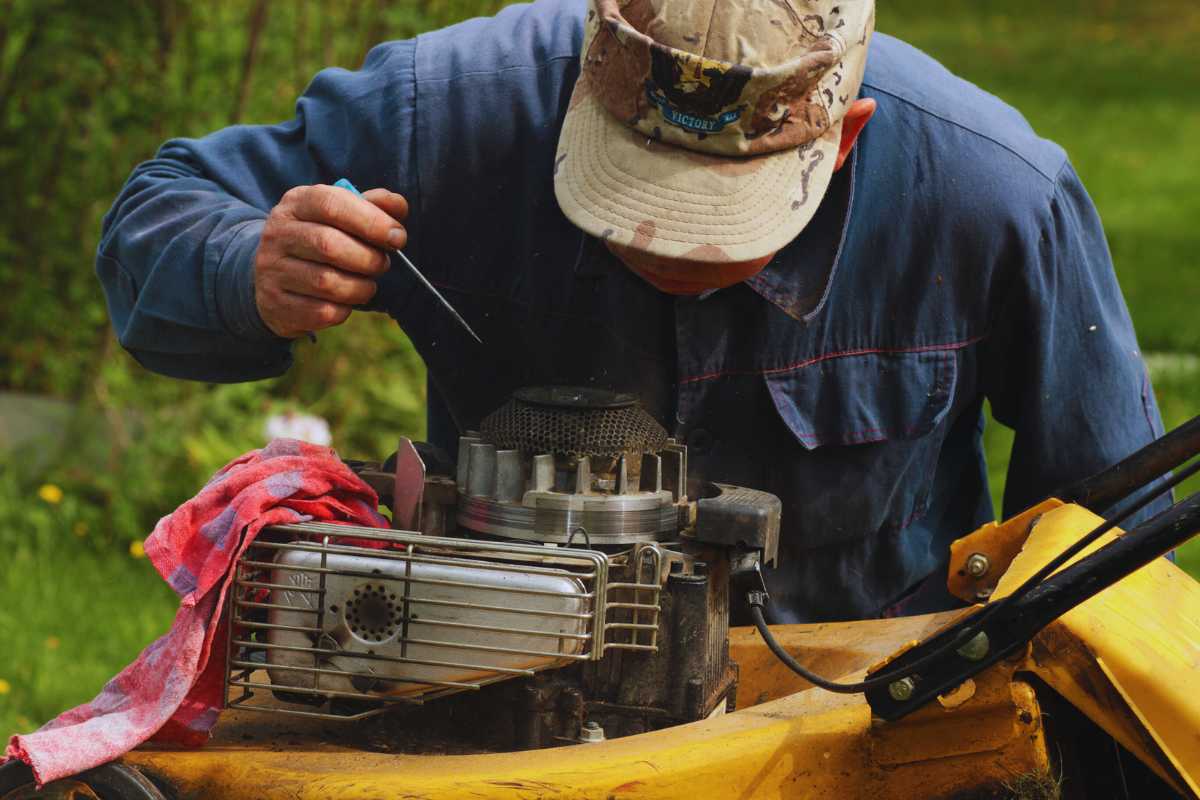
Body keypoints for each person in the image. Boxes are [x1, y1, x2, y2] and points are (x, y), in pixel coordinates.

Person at [96, 0, 1168, 623]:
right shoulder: (455, 109)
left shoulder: (996, 197)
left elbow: (1114, 543)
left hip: (862, 720)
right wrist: (248, 265)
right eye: (635, 192)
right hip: (500, 700)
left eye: (718, 217)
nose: (668, 242)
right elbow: (152, 217)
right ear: (583, 90)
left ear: (842, 138)